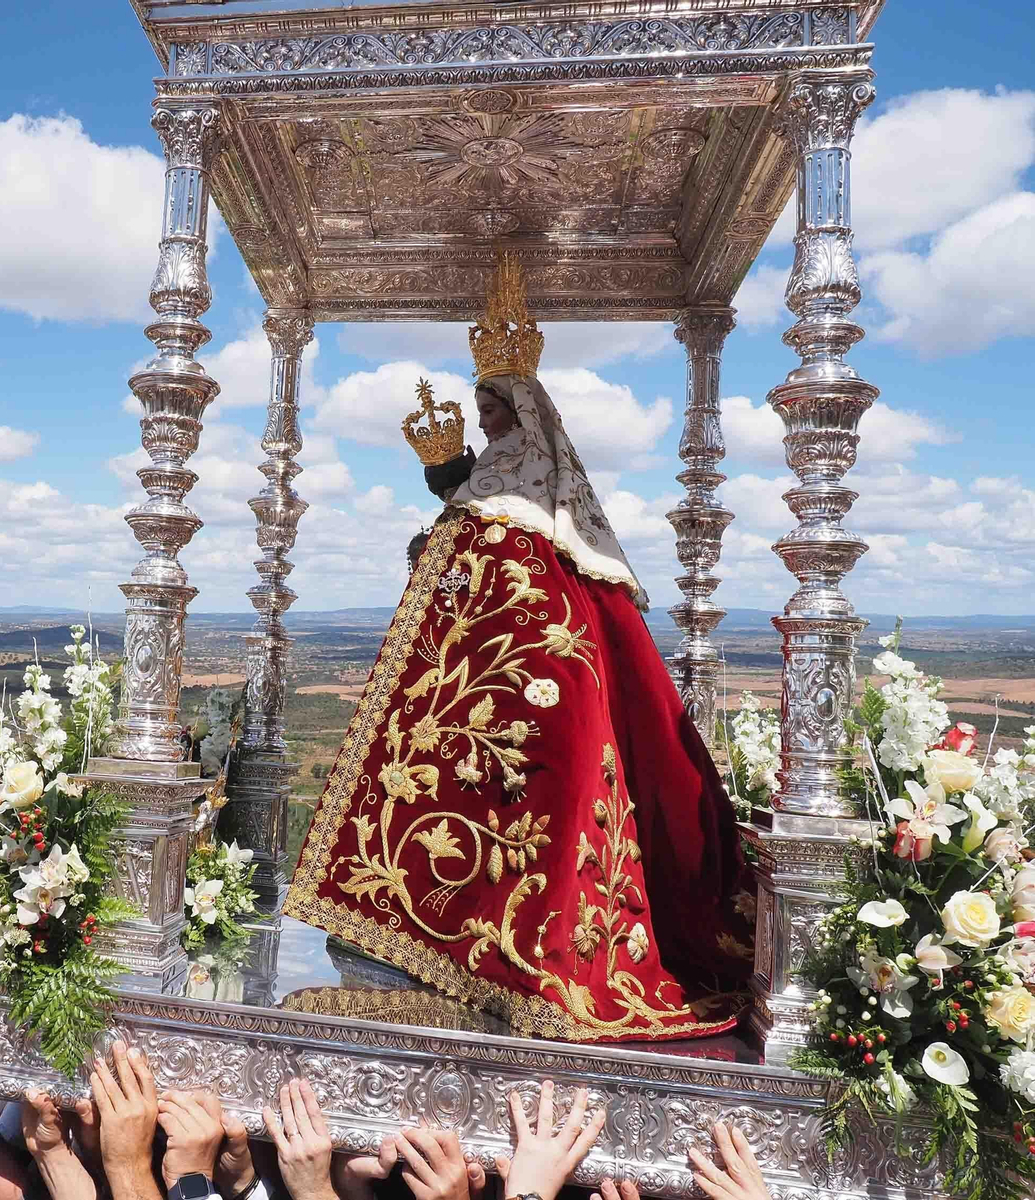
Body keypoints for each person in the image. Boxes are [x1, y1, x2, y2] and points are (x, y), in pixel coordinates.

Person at [285, 250, 754, 1043]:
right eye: (485, 412)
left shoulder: (538, 509)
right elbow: (461, 560)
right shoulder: (492, 492)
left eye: (498, 412)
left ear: (528, 416)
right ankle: (437, 932)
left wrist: (453, 512)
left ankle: (502, 949)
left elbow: (513, 583)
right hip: (478, 693)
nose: (489, 425)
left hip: (527, 694)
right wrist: (447, 493)